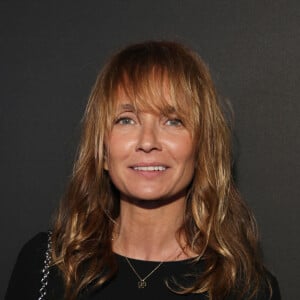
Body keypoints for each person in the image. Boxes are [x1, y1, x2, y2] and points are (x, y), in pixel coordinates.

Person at [5, 40, 281, 300]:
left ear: (201, 150)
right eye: (126, 120)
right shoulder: (45, 264)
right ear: (102, 150)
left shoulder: (245, 288)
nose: (147, 142)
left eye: (173, 121)